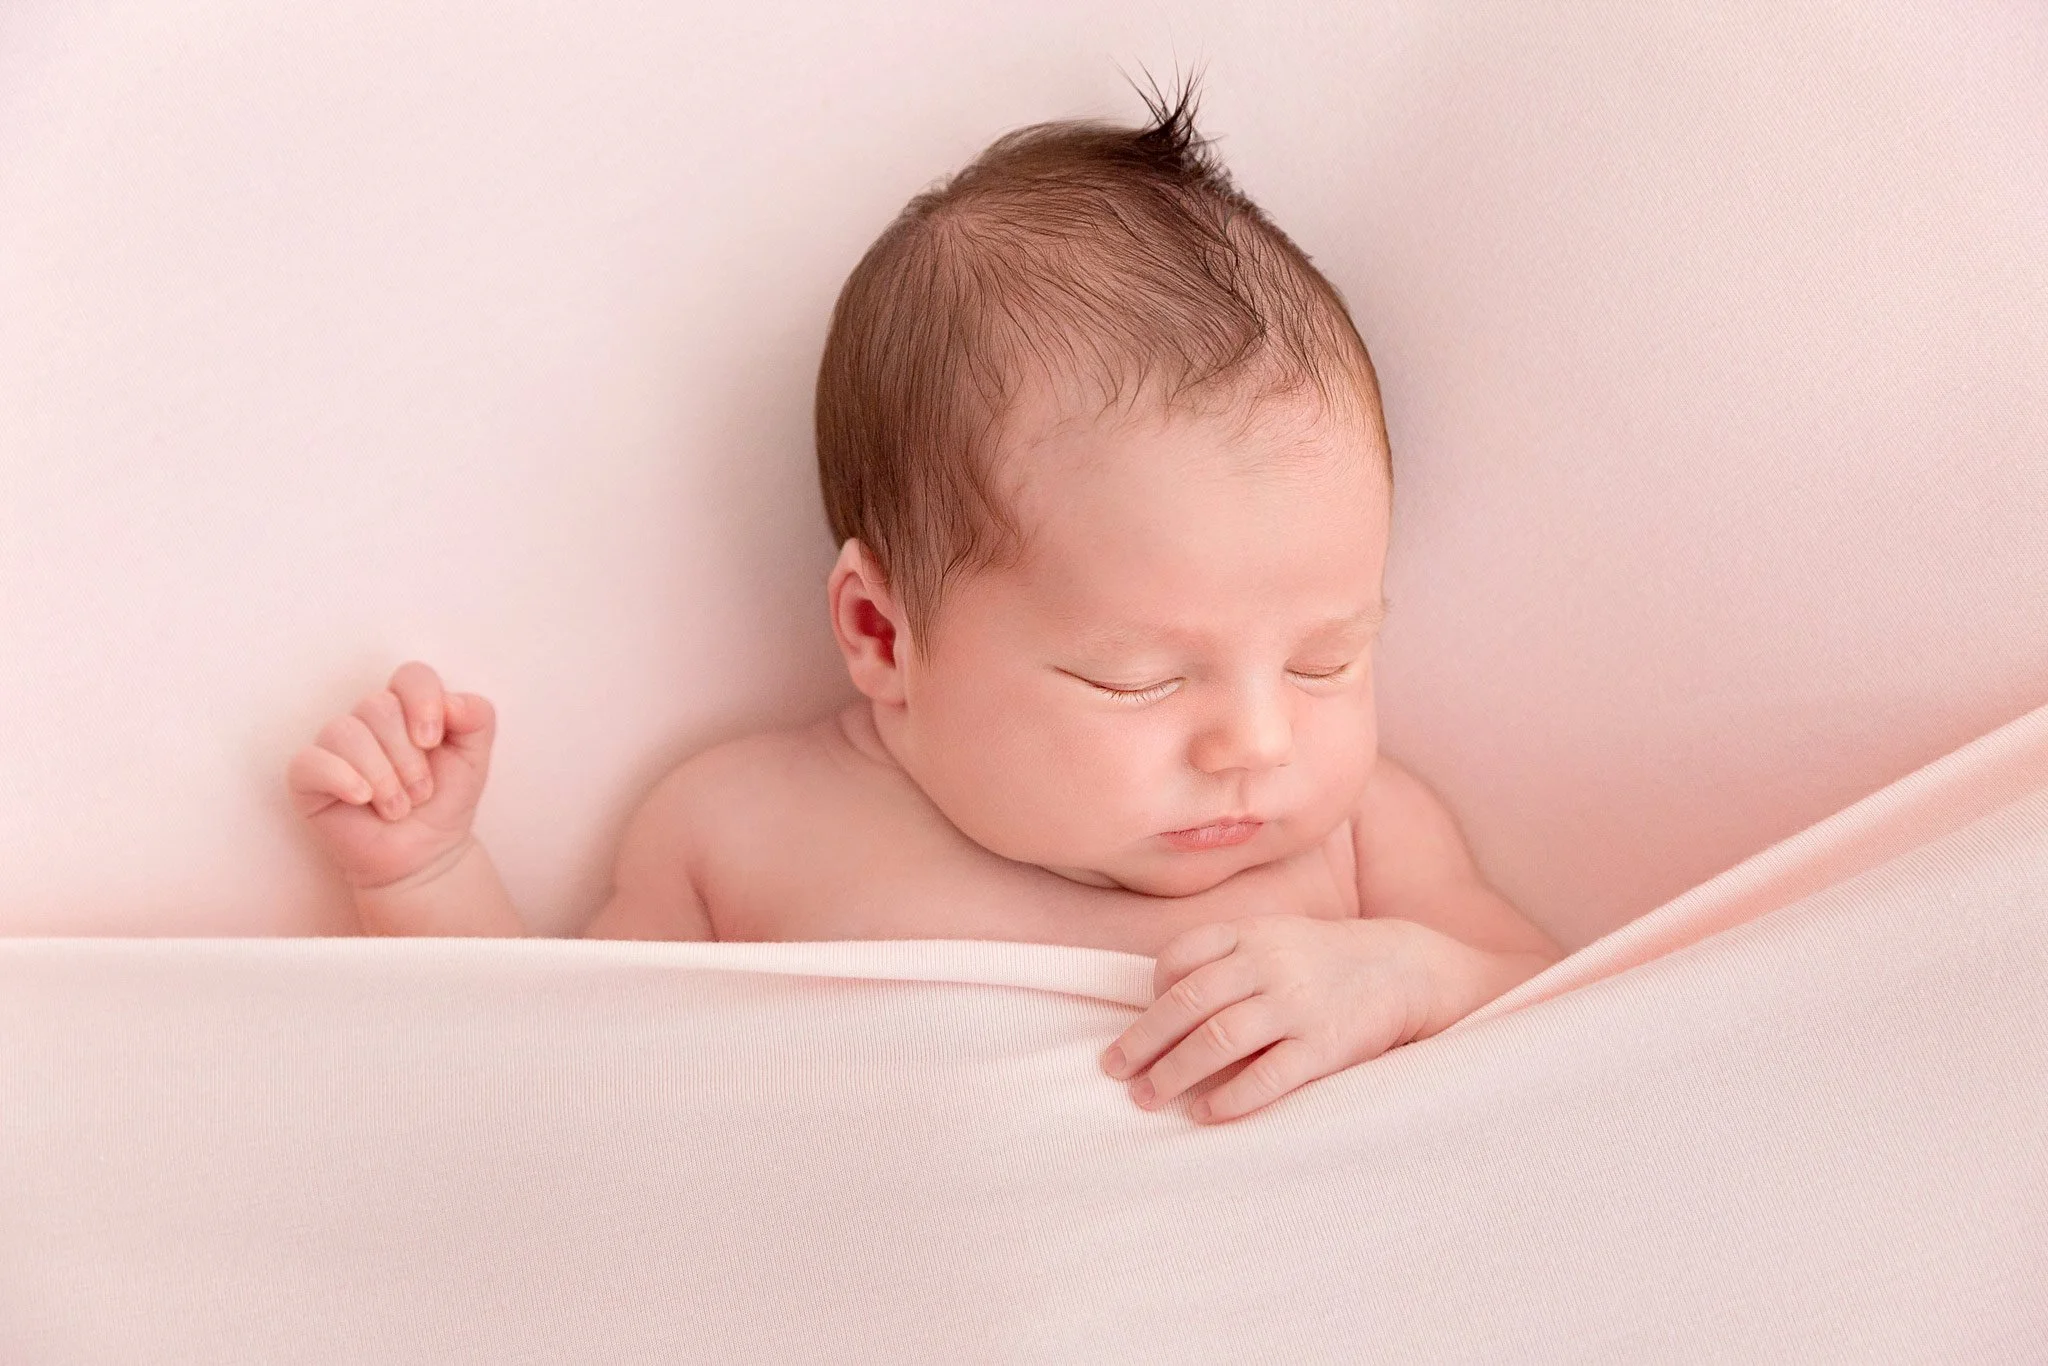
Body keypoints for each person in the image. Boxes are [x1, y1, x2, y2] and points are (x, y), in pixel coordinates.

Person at [286, 74, 1564, 1124]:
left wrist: (1405, 979)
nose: (1260, 741)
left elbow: (1574, 1014)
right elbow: (547, 1100)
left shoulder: (1364, 847)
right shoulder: (741, 834)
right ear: (880, 633)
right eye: (1140, 677)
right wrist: (427, 874)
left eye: (1327, 660)